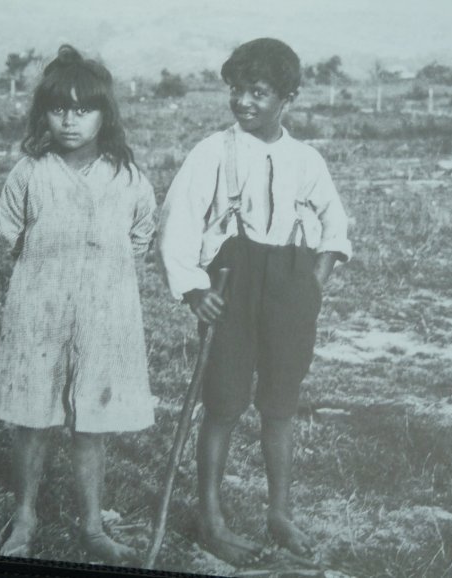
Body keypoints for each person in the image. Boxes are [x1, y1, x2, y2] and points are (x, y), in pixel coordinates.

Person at [158, 38, 352, 565]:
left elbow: (334, 223)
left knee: (280, 403)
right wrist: (195, 289)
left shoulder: (305, 158)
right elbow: (177, 222)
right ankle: (211, 518)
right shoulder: (213, 151)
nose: (243, 101)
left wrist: (316, 276)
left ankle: (280, 511)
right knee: (222, 402)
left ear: (287, 97)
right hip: (231, 280)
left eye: (259, 92)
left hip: (290, 284)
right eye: (237, 90)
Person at [0, 45, 156, 564]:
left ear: (106, 115)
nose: (71, 120)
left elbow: (141, 235)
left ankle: (92, 525)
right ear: (44, 114)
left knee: (91, 423)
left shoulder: (127, 178)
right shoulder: (31, 173)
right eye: (60, 109)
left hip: (105, 317)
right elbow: (13, 230)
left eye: (84, 110)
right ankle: (25, 517)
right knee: (33, 417)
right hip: (39, 314)